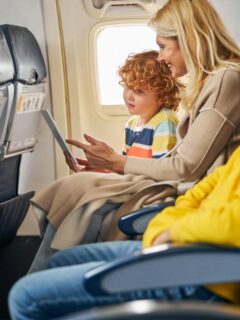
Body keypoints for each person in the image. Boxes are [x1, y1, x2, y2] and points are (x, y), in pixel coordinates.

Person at [29, 0, 240, 262]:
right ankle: (53, 270)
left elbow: (186, 166)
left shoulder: (226, 79)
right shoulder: (214, 81)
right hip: (188, 186)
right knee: (77, 185)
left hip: (193, 192)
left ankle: (51, 276)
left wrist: (118, 162)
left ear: (189, 38)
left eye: (163, 46)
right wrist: (112, 165)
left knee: (85, 193)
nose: (160, 56)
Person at [9, 145, 240, 319]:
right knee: (63, 259)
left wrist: (172, 232)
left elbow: (232, 223)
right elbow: (199, 193)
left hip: (213, 275)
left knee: (25, 296)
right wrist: (163, 231)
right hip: (190, 247)